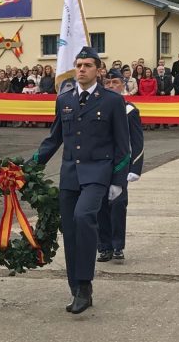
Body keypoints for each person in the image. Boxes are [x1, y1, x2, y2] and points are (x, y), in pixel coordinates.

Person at [29, 47, 130, 314]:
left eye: (87, 65)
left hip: (98, 174)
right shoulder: (65, 100)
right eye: (79, 64)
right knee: (71, 231)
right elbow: (54, 138)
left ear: (98, 70)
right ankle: (76, 288)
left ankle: (85, 284)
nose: (81, 69)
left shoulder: (111, 100)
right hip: (70, 176)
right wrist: (30, 166)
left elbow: (123, 144)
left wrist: (119, 180)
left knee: (84, 218)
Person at [97, 69, 144, 263]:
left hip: (120, 165)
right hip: (100, 165)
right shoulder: (98, 106)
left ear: (123, 85)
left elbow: (137, 141)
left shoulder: (129, 109)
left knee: (117, 205)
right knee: (100, 207)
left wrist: (135, 168)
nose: (110, 86)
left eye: (114, 82)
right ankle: (104, 247)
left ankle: (117, 246)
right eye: (107, 83)